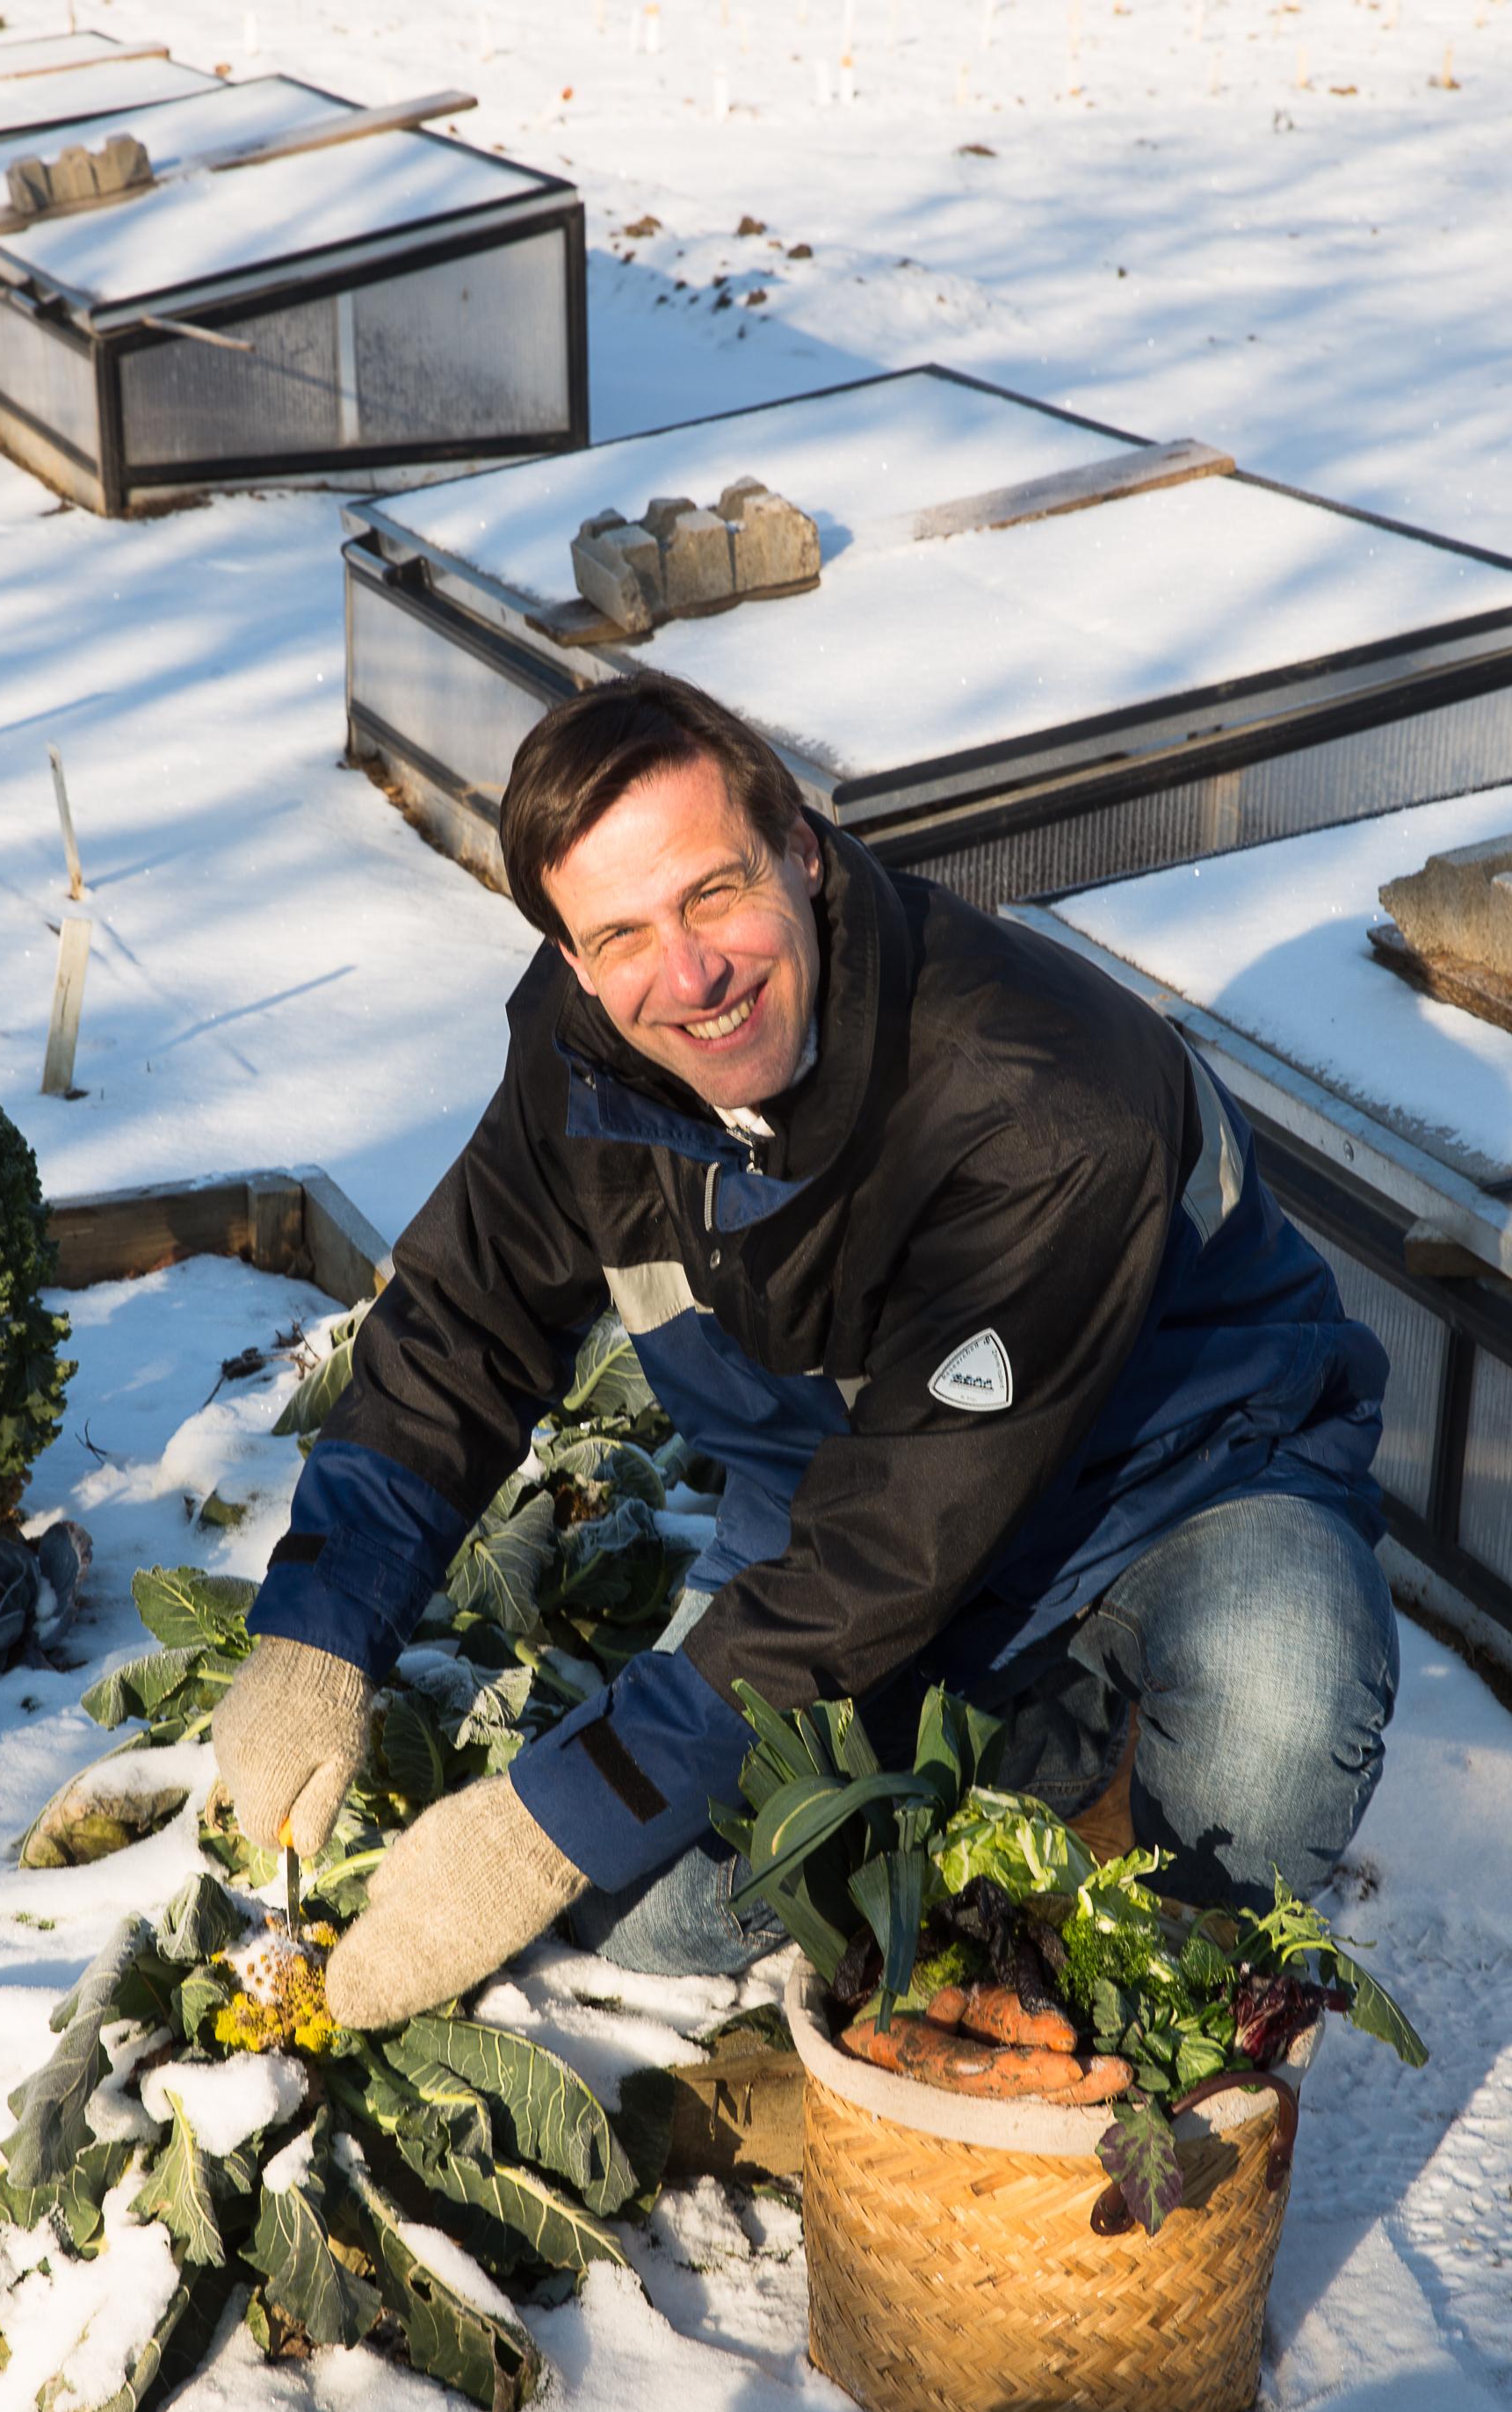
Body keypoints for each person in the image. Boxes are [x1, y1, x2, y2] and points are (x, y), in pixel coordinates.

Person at [215, 673, 1398, 2032]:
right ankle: (1039, 1759)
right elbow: (461, 1330)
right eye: (619, 934)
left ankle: (1101, 1806)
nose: (692, 975)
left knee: (1278, 1716)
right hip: (829, 1525)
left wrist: (539, 1824)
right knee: (652, 1929)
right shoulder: (581, 1057)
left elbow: (889, 1551)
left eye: (715, 893)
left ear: (804, 852)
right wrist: (316, 1633)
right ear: (569, 958)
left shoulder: (1039, 1097)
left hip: (1181, 1488)